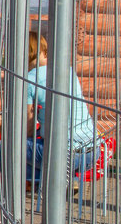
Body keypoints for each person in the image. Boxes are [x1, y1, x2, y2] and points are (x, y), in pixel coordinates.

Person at [25, 31, 97, 191]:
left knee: (1, 147)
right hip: (92, 150)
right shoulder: (68, 71)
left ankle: (21, 184)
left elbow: (28, 127)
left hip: (63, 154)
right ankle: (64, 179)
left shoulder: (30, 79)